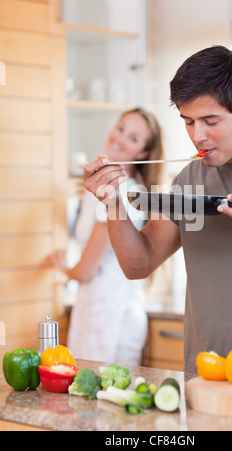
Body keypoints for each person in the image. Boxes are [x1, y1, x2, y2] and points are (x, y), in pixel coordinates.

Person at [84, 46, 232, 374]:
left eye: (210, 121)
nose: (197, 136)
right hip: (205, 372)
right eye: (188, 121)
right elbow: (139, 264)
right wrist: (114, 203)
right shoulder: (191, 178)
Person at [49, 108, 164, 364]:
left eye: (133, 138)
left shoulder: (122, 193)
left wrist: (64, 268)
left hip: (115, 318)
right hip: (95, 309)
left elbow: (85, 271)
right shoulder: (101, 188)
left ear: (143, 153)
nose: (120, 138)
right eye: (120, 128)